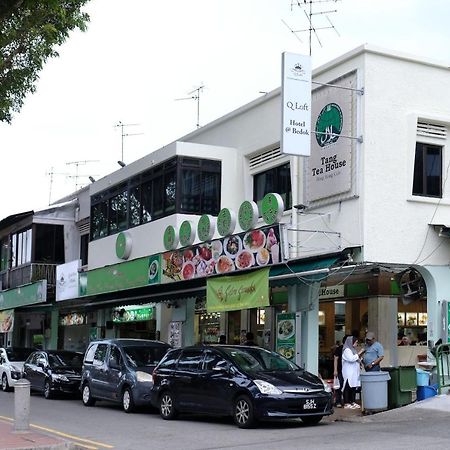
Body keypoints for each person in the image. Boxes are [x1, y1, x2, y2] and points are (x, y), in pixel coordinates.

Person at [342, 335, 365, 409]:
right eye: (356, 342)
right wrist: (360, 352)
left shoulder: (353, 350)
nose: (356, 344)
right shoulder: (346, 350)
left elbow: (356, 359)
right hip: (348, 372)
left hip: (354, 372)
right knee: (347, 386)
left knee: (353, 387)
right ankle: (346, 403)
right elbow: (351, 359)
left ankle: (352, 401)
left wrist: (360, 358)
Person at [333, 335, 348, 408]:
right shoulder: (339, 349)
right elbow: (335, 359)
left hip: (347, 371)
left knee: (346, 387)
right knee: (339, 386)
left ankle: (346, 401)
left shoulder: (350, 349)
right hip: (340, 370)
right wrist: (335, 370)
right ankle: (338, 401)